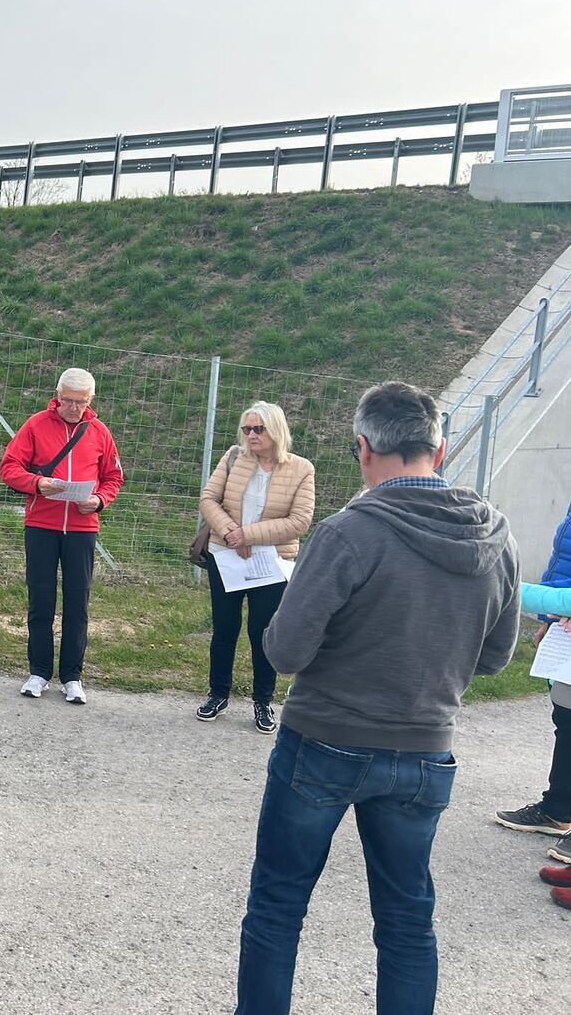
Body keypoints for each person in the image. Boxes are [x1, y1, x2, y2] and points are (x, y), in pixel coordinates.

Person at [234, 381, 520, 1015]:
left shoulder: (348, 533)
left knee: (278, 906)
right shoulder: (495, 534)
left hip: (324, 740)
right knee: (407, 919)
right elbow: (495, 658)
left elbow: (285, 651)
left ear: (363, 449)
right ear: (438, 450)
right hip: (425, 749)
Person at [0, 367, 124, 702]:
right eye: (67, 400)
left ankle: (72, 677)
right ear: (56, 396)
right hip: (41, 524)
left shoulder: (99, 432)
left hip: (82, 528)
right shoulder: (36, 425)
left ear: (91, 400)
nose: (73, 407)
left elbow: (113, 477)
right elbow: (9, 467)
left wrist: (99, 501)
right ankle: (39, 672)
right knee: (41, 600)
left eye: (80, 402)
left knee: (77, 603)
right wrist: (37, 483)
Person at [196, 402, 315, 732]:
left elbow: (300, 520)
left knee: (263, 632)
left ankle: (263, 701)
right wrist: (231, 533)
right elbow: (208, 499)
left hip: (271, 562)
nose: (250, 435)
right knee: (224, 628)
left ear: (276, 430)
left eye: (258, 429)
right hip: (226, 556)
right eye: (246, 429)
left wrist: (247, 534)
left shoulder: (301, 469)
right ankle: (217, 694)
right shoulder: (233, 457)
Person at [492, 502, 571, 838]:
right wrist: (550, 619)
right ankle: (558, 810)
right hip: (563, 621)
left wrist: (500, 582)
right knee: (566, 717)